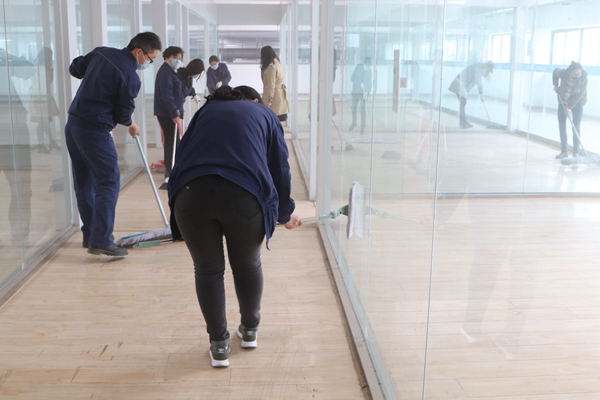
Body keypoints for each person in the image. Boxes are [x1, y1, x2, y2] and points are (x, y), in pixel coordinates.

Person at [167, 86, 302, 368]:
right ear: (255, 101)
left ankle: (219, 346)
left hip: (191, 194)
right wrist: (284, 213)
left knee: (207, 270)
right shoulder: (265, 114)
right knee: (247, 264)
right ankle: (249, 330)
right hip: (244, 196)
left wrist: (176, 203)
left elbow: (182, 155)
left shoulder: (205, 111)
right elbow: (280, 167)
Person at [65, 32, 161, 257]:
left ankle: (91, 235)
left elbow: (75, 68)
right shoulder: (130, 76)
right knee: (108, 181)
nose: (148, 63)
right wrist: (131, 124)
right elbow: (122, 113)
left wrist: (95, 77)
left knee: (84, 182)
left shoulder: (101, 53)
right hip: (95, 131)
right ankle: (101, 240)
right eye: (150, 59)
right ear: (139, 52)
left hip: (74, 125)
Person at [154, 47, 203, 186]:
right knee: (171, 143)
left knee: (175, 142)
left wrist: (180, 108)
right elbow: (167, 95)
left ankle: (174, 170)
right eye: (176, 57)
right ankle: (169, 173)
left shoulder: (172, 72)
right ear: (167, 57)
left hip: (172, 112)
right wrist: (174, 113)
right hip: (166, 113)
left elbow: (179, 92)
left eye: (180, 58)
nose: (179, 60)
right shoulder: (165, 72)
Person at [553, 61, 587, 159]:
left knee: (576, 126)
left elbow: (581, 94)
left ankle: (576, 153)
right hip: (563, 100)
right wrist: (556, 85)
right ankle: (564, 151)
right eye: (574, 74)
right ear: (569, 72)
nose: (576, 76)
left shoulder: (583, 76)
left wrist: (569, 106)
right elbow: (555, 72)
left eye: (578, 74)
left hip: (577, 103)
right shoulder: (563, 72)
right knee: (562, 125)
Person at [30, 47, 60, 153]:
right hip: (40, 98)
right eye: (49, 56)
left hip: (45, 96)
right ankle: (42, 145)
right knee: (42, 122)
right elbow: (38, 84)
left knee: (44, 122)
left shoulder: (47, 67)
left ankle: (49, 143)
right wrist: (40, 99)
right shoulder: (39, 67)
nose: (50, 58)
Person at [448, 61, 494, 129]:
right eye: (489, 71)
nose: (488, 72)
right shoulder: (478, 69)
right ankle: (462, 123)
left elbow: (472, 79)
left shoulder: (478, 67)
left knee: (463, 103)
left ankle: (464, 122)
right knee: (463, 103)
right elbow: (479, 83)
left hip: (460, 84)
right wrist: (482, 95)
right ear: (488, 68)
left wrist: (467, 88)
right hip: (459, 84)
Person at [260, 46, 290, 122]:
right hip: (280, 97)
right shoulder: (278, 64)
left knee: (272, 122)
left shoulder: (271, 67)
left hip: (274, 100)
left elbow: (271, 86)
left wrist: (268, 102)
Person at [349, 57, 373, 133]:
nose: (367, 66)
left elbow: (370, 83)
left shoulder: (369, 72)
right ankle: (354, 122)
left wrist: (367, 92)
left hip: (363, 93)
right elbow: (352, 78)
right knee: (353, 108)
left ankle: (362, 126)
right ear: (363, 63)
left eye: (369, 65)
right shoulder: (358, 68)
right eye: (366, 64)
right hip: (356, 91)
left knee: (362, 109)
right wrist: (360, 83)